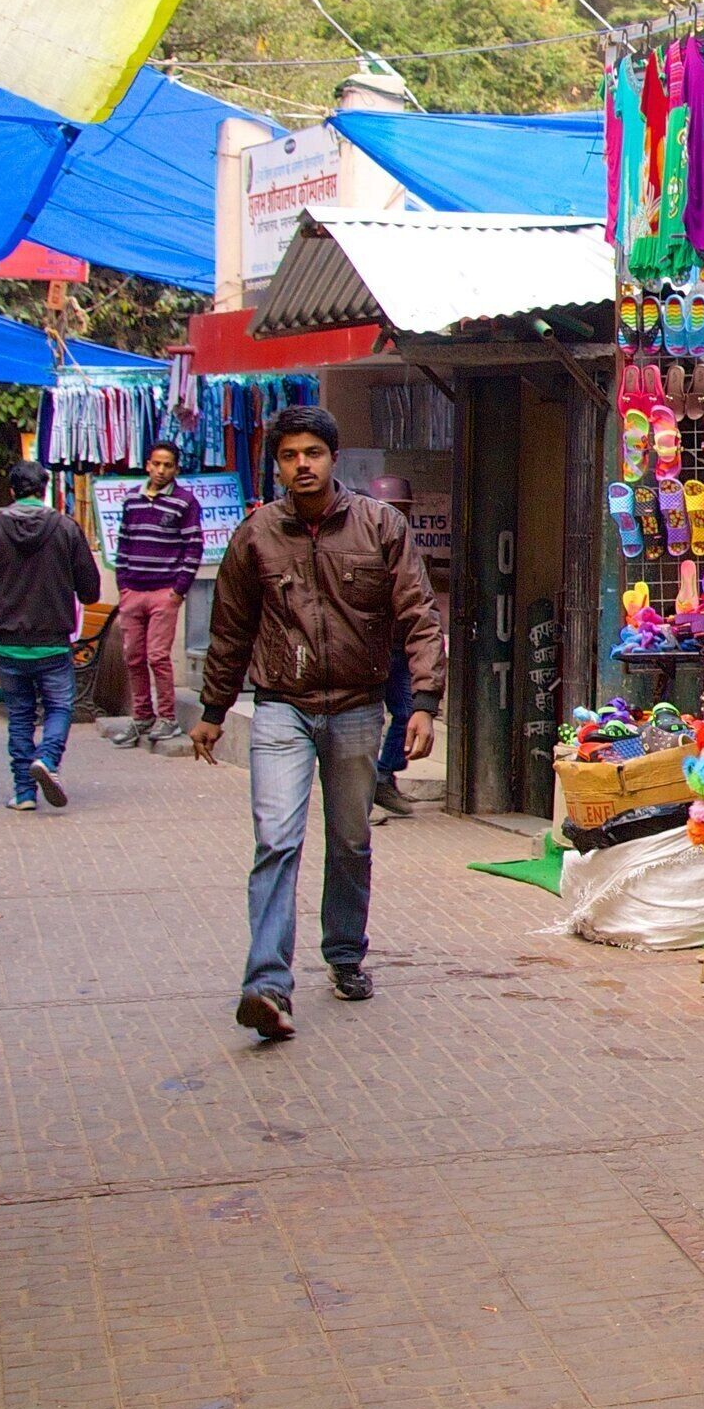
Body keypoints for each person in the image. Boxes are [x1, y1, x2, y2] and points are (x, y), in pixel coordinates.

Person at [190, 405, 443, 1044]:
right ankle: (267, 985)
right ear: (277, 465)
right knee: (276, 840)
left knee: (350, 840)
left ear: (333, 458)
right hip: (281, 707)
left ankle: (345, 954)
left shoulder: (380, 525)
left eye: (313, 453)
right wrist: (214, 710)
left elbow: (418, 612)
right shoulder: (255, 536)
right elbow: (230, 628)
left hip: (357, 707)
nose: (301, 465)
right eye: (289, 456)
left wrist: (423, 700)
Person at [0, 459, 104, 813]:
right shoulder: (66, 529)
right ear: (44, 489)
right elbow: (90, 591)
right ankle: (48, 759)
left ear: (12, 491)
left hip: (8, 641)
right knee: (59, 706)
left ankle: (24, 792)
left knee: (20, 715)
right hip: (52, 639)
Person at [104, 440, 201, 749]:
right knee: (133, 656)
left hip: (164, 592)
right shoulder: (132, 500)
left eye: (167, 465)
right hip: (133, 590)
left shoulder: (184, 502)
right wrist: (123, 584)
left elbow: (193, 547)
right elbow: (124, 542)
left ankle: (167, 717)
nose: (161, 470)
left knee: (158, 656)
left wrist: (178, 590)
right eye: (156, 464)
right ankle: (142, 715)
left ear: (176, 469)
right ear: (147, 465)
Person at [364, 476, 418, 817]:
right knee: (364, 720)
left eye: (401, 510)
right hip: (367, 648)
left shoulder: (405, 545)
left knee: (408, 712)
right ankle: (364, 791)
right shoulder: (361, 543)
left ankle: (383, 776)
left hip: (398, 647)